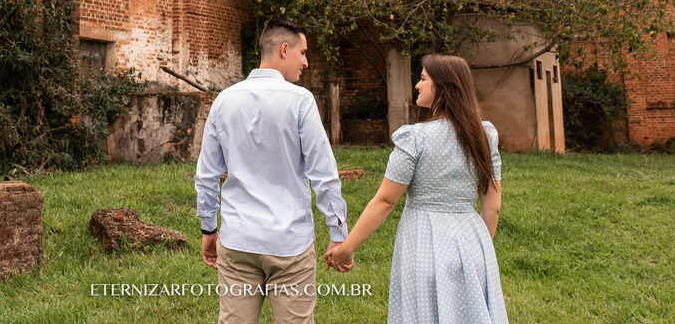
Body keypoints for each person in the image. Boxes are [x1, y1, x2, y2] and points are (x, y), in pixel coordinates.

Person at [328, 53, 507, 324]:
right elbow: (492, 207)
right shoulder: (483, 137)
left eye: (423, 79)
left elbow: (385, 202)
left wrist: (347, 247)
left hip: (423, 244)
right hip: (473, 244)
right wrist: (479, 251)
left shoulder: (415, 139)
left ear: (442, 87)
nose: (417, 85)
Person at [195, 18, 348, 324]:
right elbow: (323, 173)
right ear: (284, 49)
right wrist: (338, 233)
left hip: (238, 240)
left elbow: (207, 175)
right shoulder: (301, 101)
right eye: (302, 53)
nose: (305, 62)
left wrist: (208, 229)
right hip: (289, 243)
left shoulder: (224, 100)